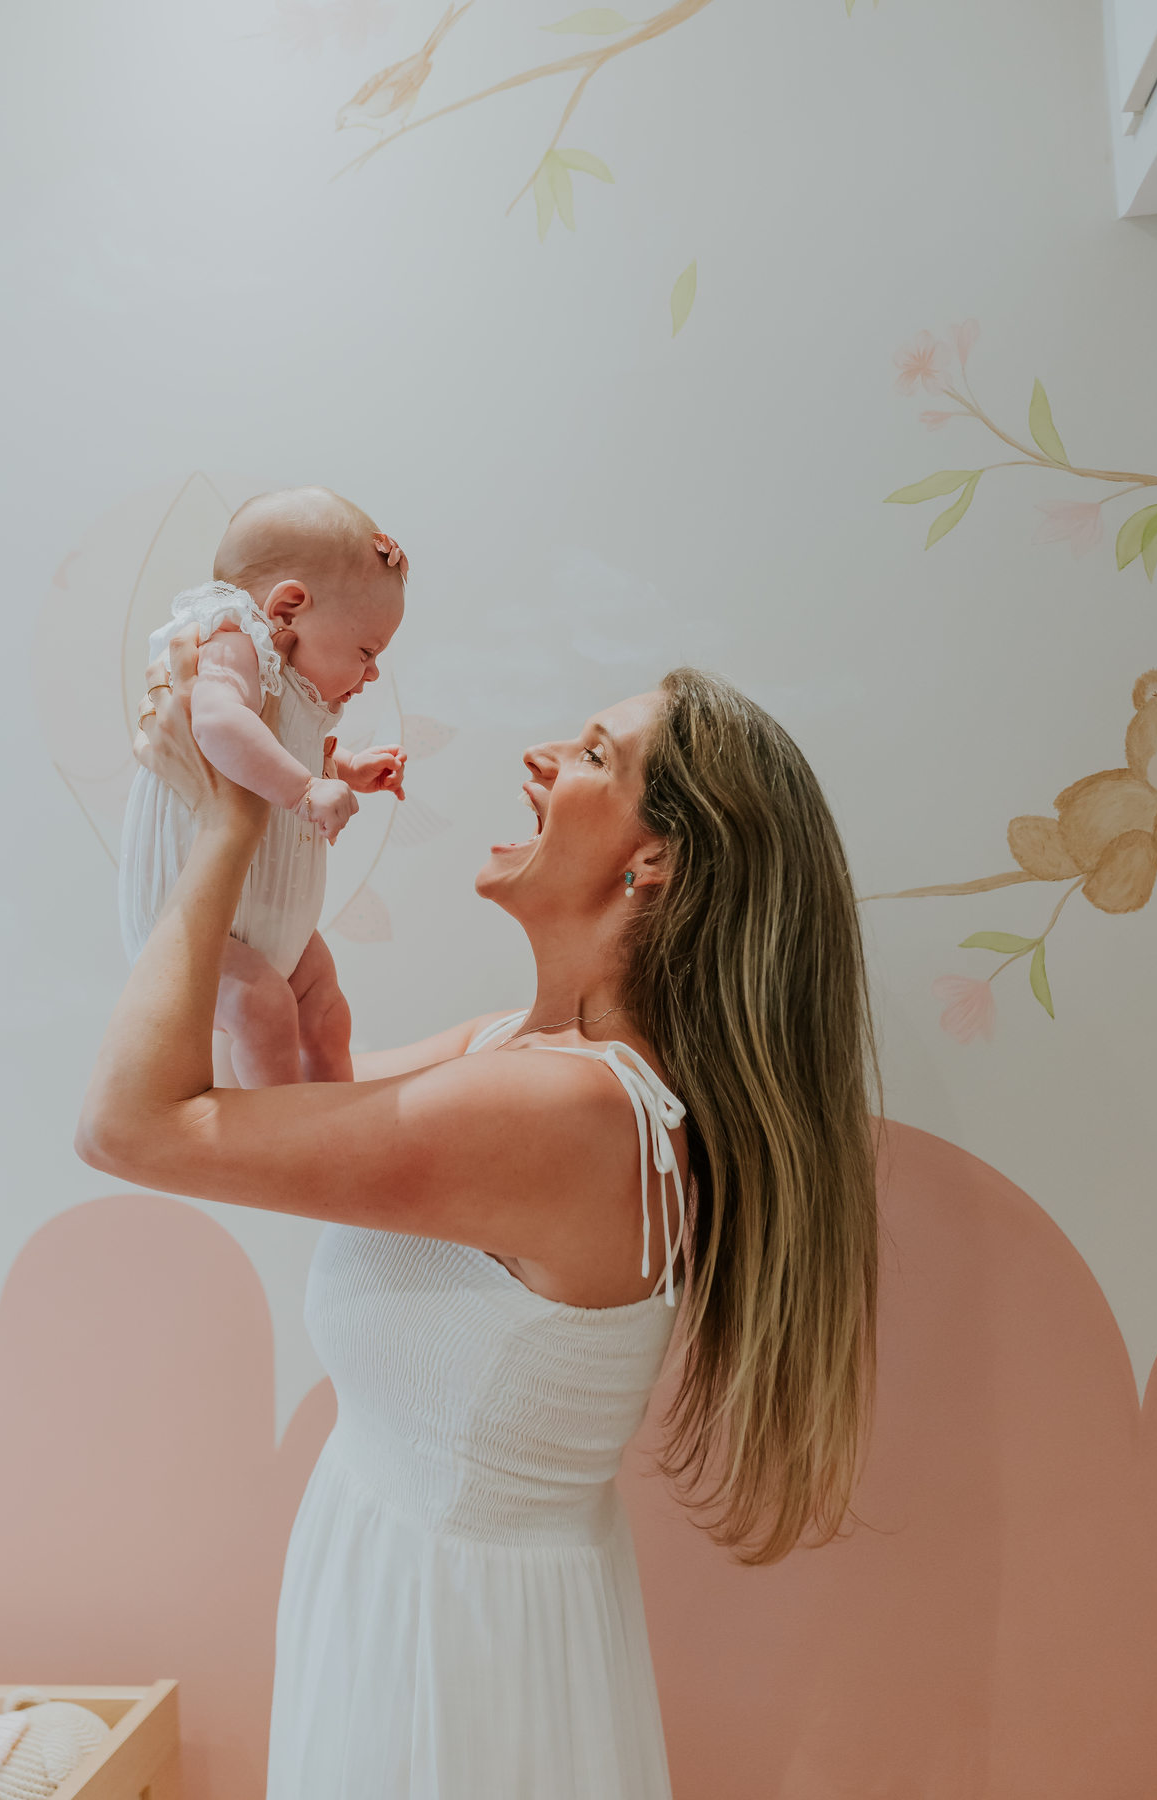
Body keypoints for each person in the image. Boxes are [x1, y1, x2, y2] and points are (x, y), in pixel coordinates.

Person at [77, 638, 879, 1799]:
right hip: (425, 1603)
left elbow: (130, 1126)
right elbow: (271, 1121)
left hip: (439, 1659)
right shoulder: (523, 1053)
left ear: (655, 858)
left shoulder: (557, 1109)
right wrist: (285, 940)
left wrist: (228, 826)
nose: (542, 760)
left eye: (594, 752)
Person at [119, 486, 409, 1088]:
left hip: (271, 921)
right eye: (366, 649)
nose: (373, 670)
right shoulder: (233, 640)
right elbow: (219, 723)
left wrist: (343, 767)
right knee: (264, 1008)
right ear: (286, 609)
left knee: (326, 1008)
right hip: (197, 926)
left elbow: (281, 747)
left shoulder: (291, 683)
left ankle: (336, 1115)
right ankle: (284, 1142)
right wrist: (306, 789)